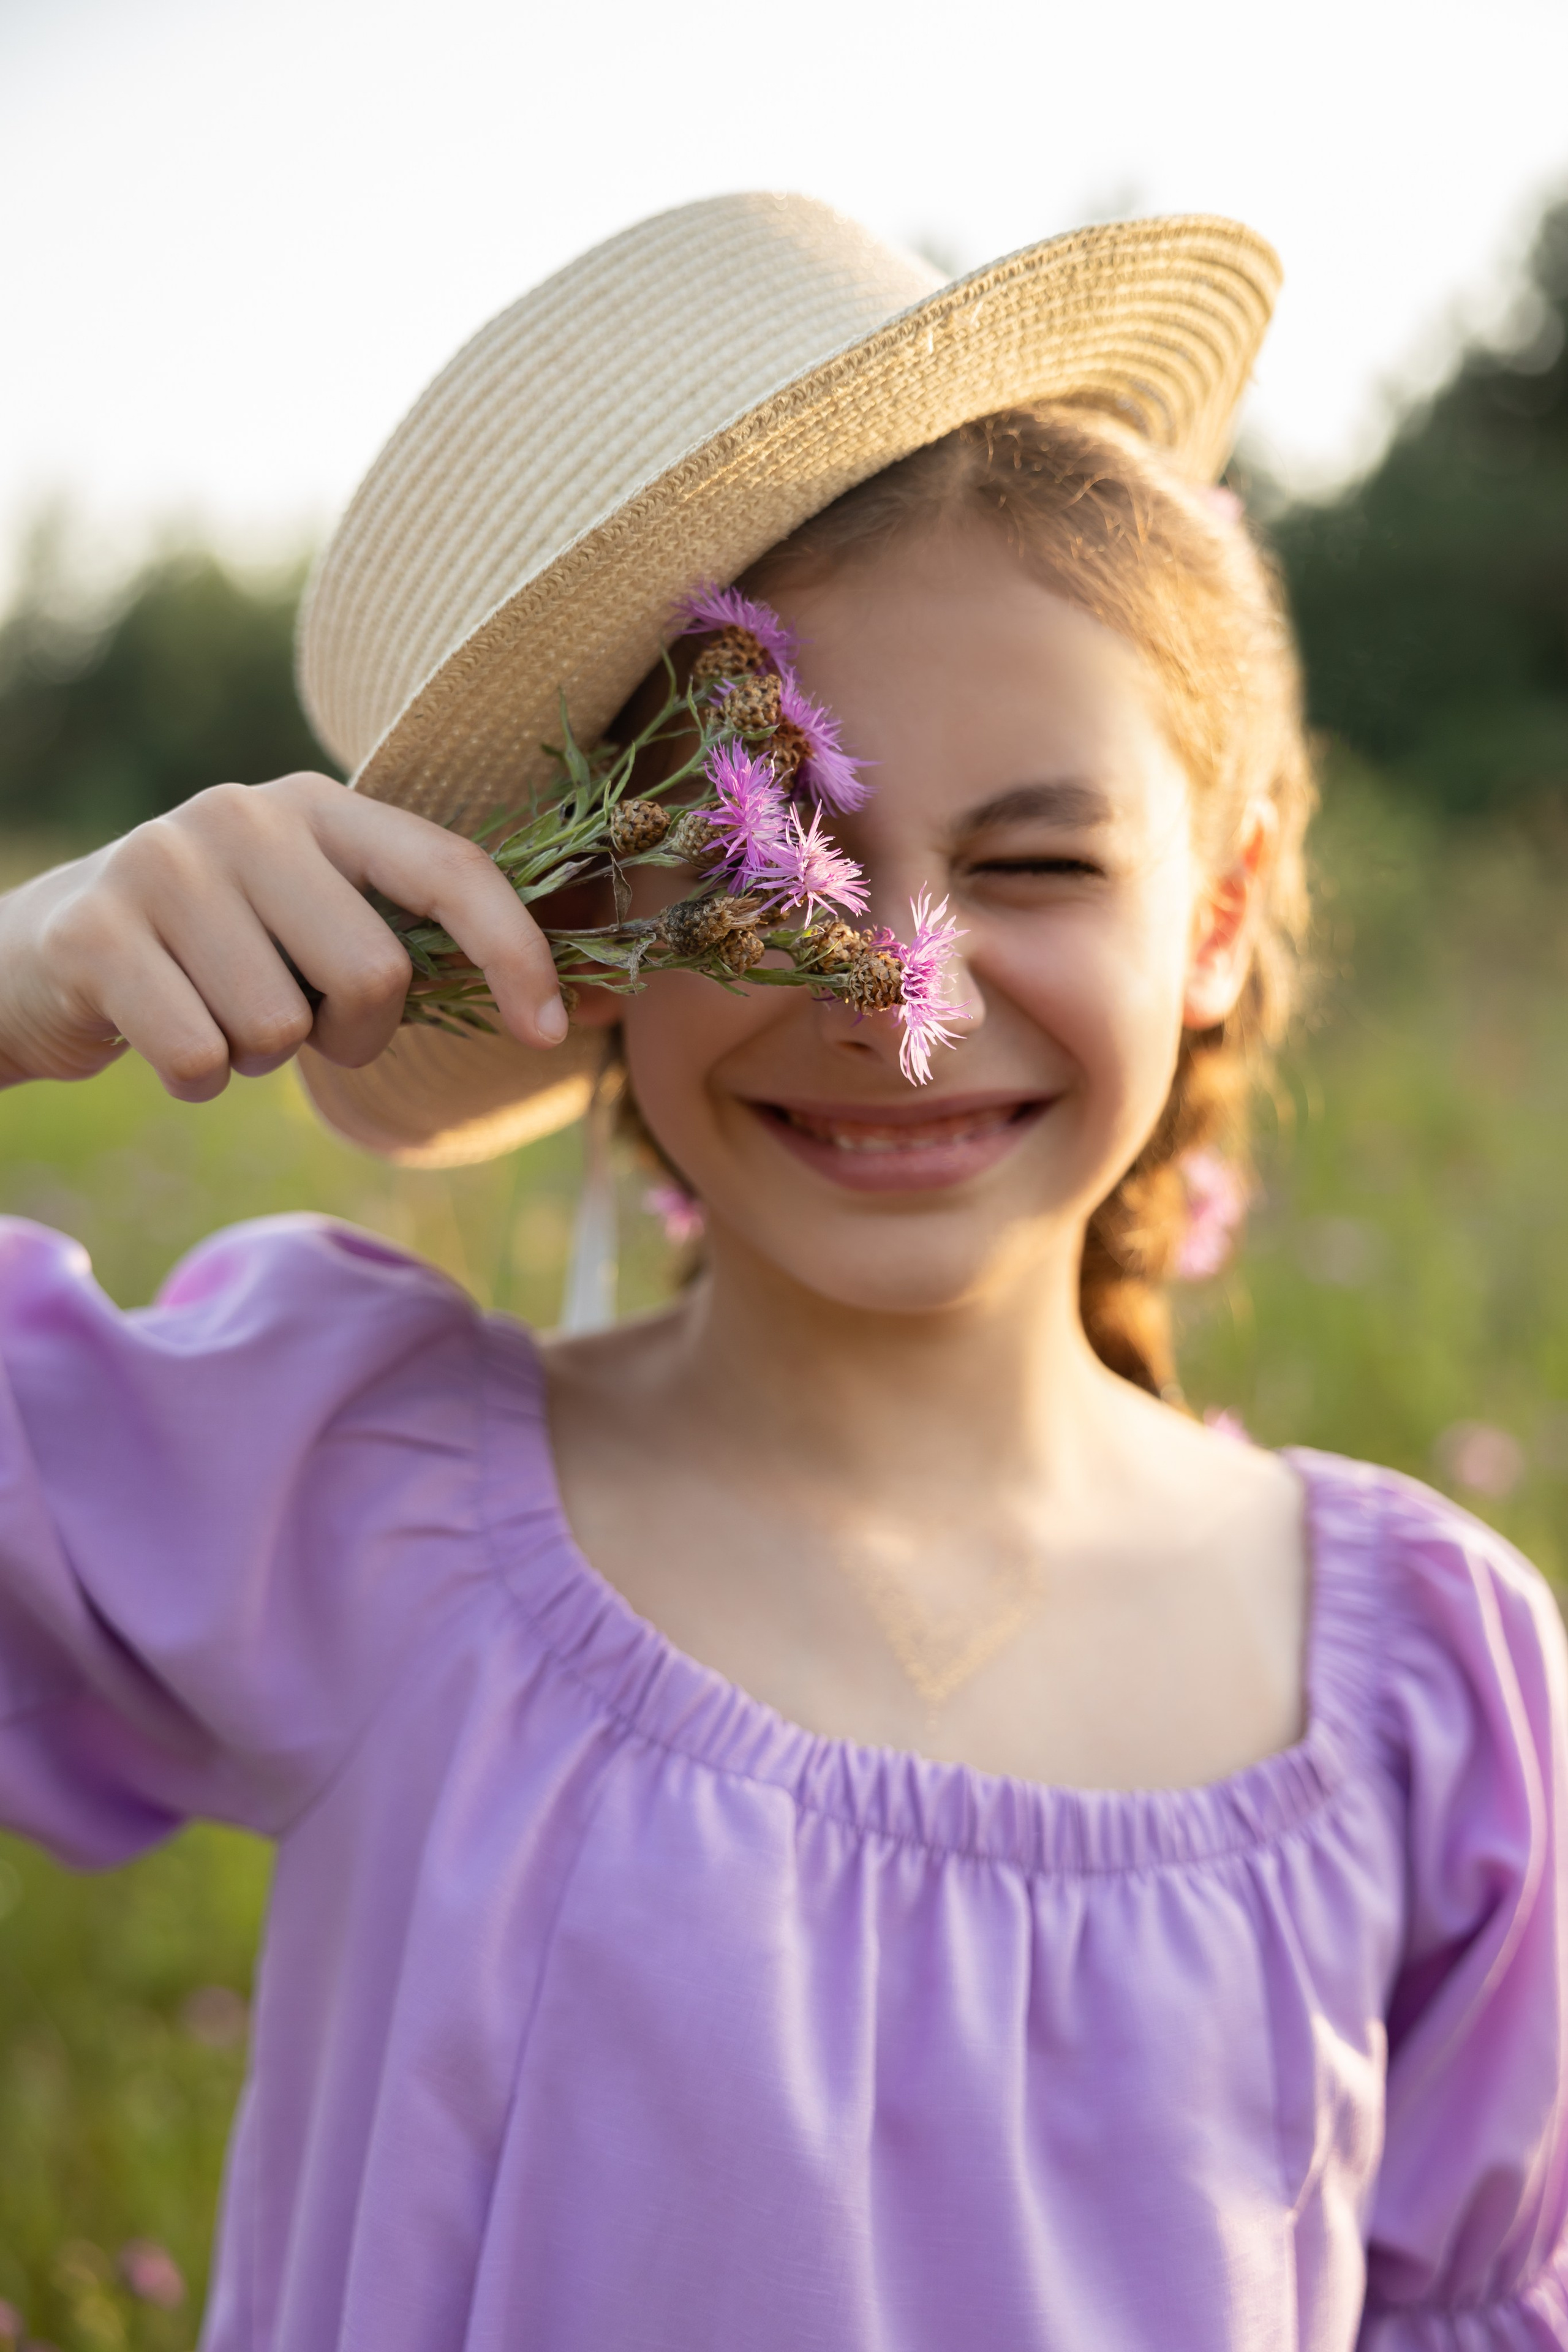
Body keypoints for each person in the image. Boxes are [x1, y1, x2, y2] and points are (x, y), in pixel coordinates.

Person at [1, 193, 1565, 2352]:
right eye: (757, 889)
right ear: (570, 952)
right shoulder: (342, 1495)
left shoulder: (1429, 1696)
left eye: (1032, 862)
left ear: (1220, 912)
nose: (896, 1000)